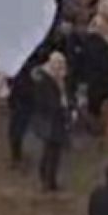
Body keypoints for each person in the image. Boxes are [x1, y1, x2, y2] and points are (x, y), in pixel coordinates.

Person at [32, 49, 72, 192]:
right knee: (51, 151)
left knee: (53, 150)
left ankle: (49, 180)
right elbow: (49, 100)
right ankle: (47, 181)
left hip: (54, 118)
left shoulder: (55, 78)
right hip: (50, 119)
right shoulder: (45, 80)